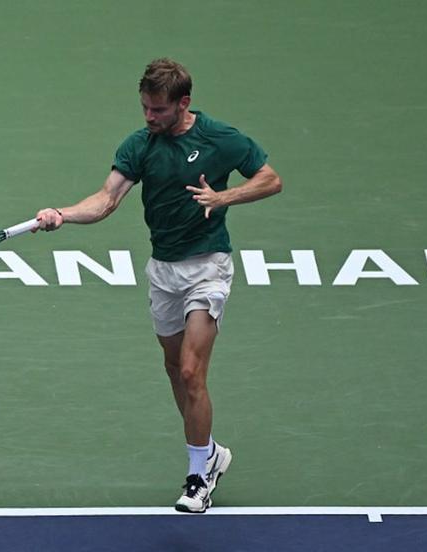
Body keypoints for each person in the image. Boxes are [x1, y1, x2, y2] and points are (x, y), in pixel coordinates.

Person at [34, 58, 282, 513]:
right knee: (173, 368)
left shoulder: (219, 138)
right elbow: (106, 200)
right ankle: (210, 453)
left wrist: (223, 196)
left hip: (208, 264)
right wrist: (62, 214)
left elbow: (270, 179)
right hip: (164, 270)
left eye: (158, 110)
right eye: (145, 108)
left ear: (183, 103)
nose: (149, 117)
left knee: (191, 371)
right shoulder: (140, 144)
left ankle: (197, 478)